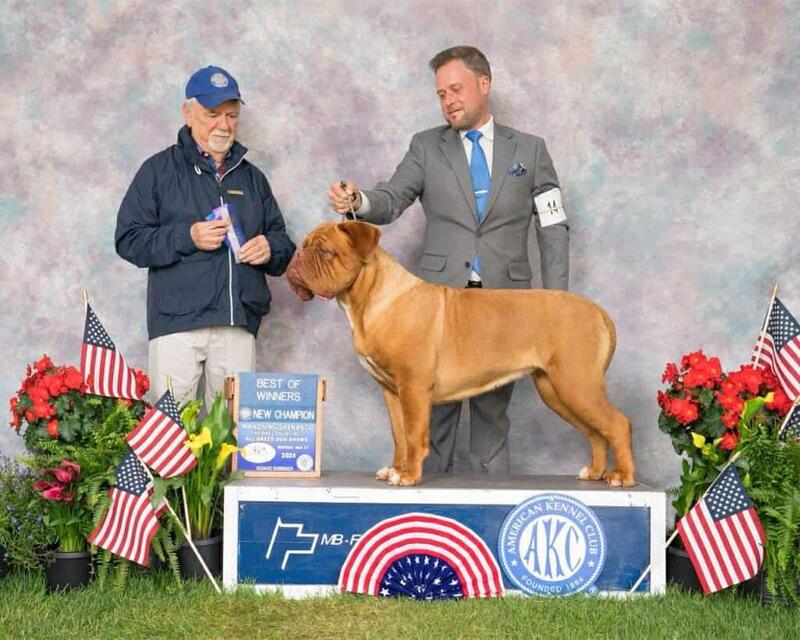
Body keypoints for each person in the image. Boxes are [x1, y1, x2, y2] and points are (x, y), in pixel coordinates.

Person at [328, 46, 569, 475]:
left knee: (492, 417)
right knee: (430, 414)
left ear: (484, 84)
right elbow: (392, 198)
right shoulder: (426, 147)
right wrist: (359, 200)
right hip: (436, 308)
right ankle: (426, 499)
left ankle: (490, 504)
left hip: (504, 304)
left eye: (456, 89)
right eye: (441, 94)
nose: (448, 101)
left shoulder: (531, 150)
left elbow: (553, 227)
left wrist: (557, 303)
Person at [116, 65, 295, 409]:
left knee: (232, 427)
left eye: (232, 115)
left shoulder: (253, 179)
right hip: (176, 323)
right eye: (213, 115)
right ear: (188, 113)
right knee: (171, 426)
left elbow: (282, 244)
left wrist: (271, 247)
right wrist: (188, 236)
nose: (224, 125)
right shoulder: (157, 171)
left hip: (237, 323)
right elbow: (129, 240)